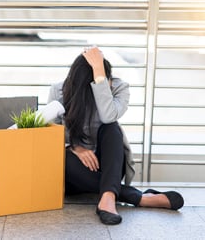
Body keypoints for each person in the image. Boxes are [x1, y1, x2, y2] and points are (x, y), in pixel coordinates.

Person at [47, 46, 184, 225]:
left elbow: (107, 116)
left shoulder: (119, 88)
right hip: (75, 171)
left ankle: (108, 199)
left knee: (111, 128)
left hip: (109, 167)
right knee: (64, 159)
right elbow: (50, 135)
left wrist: (99, 76)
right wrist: (76, 148)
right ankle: (137, 197)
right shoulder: (59, 90)